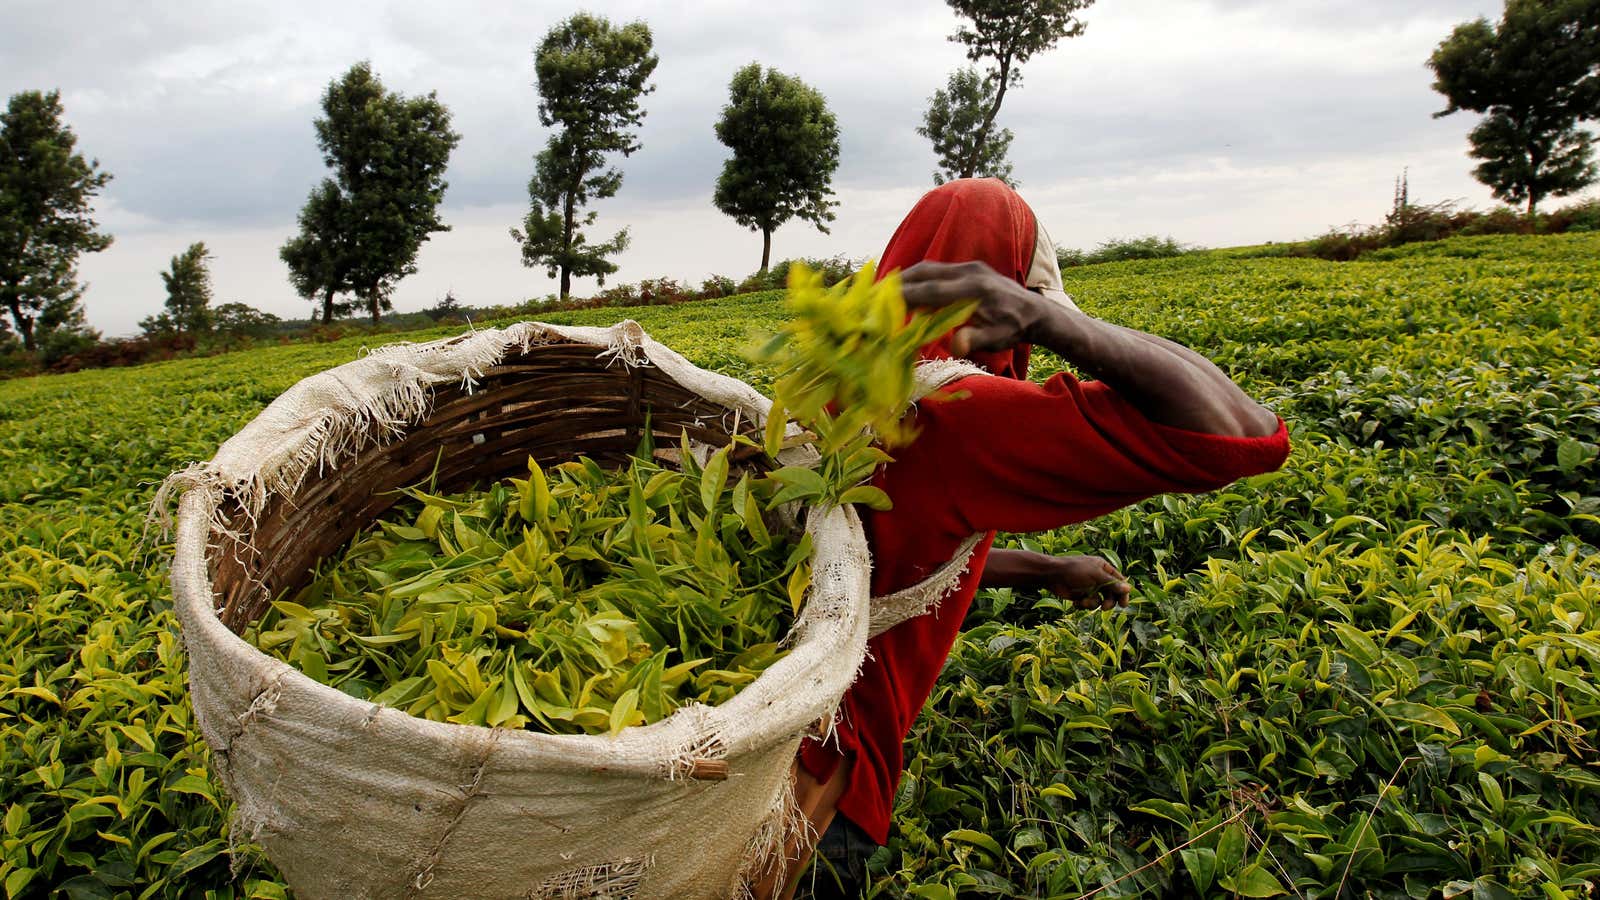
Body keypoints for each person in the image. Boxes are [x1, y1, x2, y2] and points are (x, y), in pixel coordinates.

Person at [754, 178, 1291, 900]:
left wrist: (1041, 569)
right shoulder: (958, 410)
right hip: (832, 774)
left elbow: (887, 548)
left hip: (764, 733)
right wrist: (1051, 320)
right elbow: (1239, 432)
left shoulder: (829, 383)